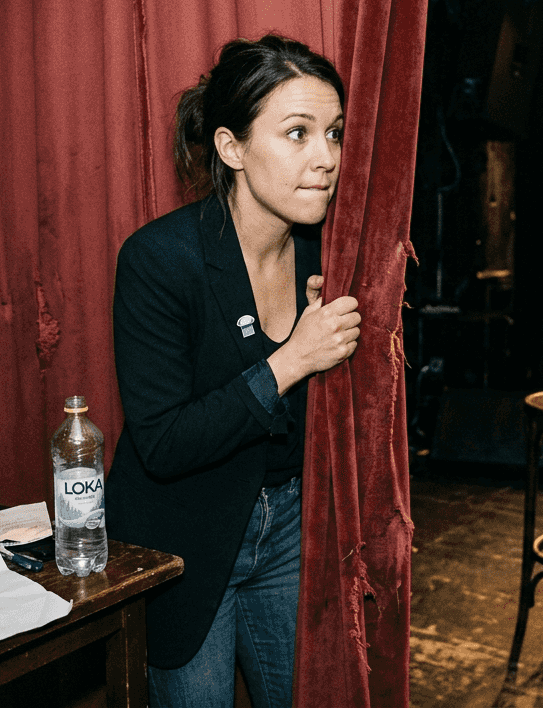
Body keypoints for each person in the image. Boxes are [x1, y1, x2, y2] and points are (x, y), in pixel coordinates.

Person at [106, 34, 360, 708]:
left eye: (333, 134)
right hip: (181, 537)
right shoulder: (160, 260)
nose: (326, 159)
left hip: (286, 527)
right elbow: (162, 444)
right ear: (231, 148)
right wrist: (293, 360)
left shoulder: (327, 254)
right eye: (298, 134)